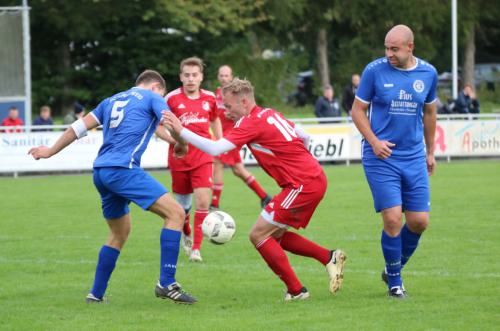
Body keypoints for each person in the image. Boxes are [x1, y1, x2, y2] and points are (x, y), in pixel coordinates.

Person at [163, 78, 347, 301]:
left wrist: (181, 131)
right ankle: (328, 257)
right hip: (309, 179)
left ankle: (297, 290)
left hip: (302, 184)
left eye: (228, 106)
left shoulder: (250, 122)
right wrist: (301, 162)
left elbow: (216, 147)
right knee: (275, 235)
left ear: (243, 102)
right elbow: (305, 136)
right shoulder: (269, 113)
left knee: (258, 235)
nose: (226, 112)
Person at [28, 70, 197, 305]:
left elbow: (77, 128)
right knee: (176, 213)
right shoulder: (153, 98)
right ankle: (167, 283)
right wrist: (182, 144)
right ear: (157, 87)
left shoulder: (112, 100)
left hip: (101, 172)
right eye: (162, 93)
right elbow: (172, 123)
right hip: (123, 170)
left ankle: (95, 294)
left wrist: (49, 151)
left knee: (119, 232)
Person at [351, 25, 437, 299]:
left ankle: (392, 268)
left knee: (419, 222)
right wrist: (374, 142)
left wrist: (430, 152)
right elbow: (357, 111)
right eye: (386, 48)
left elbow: (430, 113)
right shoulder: (374, 71)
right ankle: (395, 284)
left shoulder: (428, 73)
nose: (388, 53)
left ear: (410, 47)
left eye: (394, 49)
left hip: (413, 157)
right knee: (392, 219)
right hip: (381, 157)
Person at [155, 57, 222, 263]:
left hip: (203, 156)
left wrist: (219, 142)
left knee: (202, 202)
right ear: (181, 77)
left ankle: (196, 249)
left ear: (201, 77)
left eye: (195, 75)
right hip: (180, 158)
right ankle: (186, 231)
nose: (191, 79)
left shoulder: (210, 98)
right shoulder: (171, 99)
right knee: (182, 208)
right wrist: (173, 141)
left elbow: (215, 119)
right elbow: (157, 126)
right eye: (187, 75)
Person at [211, 65, 271, 209]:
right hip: (222, 135)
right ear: (218, 77)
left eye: (226, 75)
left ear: (231, 77)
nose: (224, 78)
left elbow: (246, 113)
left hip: (233, 135)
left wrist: (233, 117)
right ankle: (265, 197)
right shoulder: (217, 93)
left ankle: (214, 204)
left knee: (217, 162)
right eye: (221, 75)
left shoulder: (235, 94)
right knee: (238, 169)